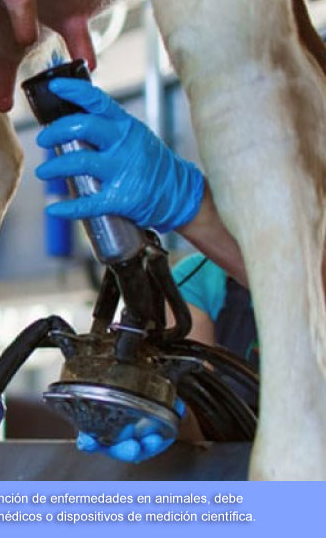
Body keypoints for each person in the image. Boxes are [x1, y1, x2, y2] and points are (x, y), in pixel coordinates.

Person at [34, 76, 259, 463]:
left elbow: (308, 289)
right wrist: (152, 411)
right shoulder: (200, 282)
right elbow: (202, 425)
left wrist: (193, 203)